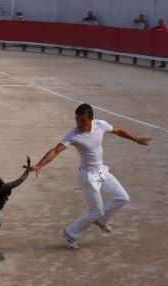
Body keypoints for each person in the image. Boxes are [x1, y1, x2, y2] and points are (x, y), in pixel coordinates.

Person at [31, 103, 152, 250]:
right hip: (87, 178)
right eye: (76, 119)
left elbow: (118, 131)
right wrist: (39, 165)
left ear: (91, 119)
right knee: (96, 211)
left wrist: (136, 139)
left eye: (82, 120)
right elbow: (56, 150)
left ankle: (101, 221)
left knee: (122, 198)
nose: (78, 123)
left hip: (102, 172)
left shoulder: (100, 125)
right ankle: (70, 232)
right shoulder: (74, 135)